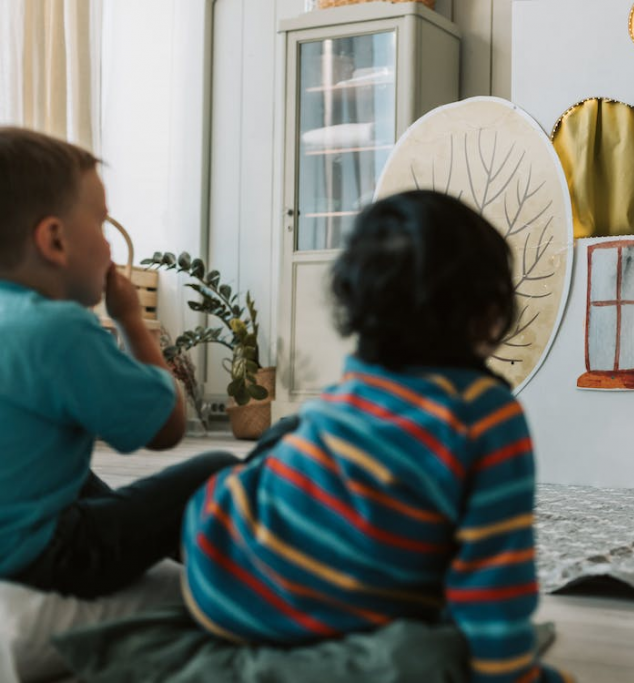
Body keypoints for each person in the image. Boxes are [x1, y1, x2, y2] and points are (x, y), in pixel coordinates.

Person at [181, 190, 571, 682]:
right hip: (303, 605)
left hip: (218, 574)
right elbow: (494, 581)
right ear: (486, 307)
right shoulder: (486, 416)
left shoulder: (356, 382)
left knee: (276, 449)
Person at [0, 127, 239, 598]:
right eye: (103, 224)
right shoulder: (59, 329)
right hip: (40, 558)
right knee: (214, 468)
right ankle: (244, 587)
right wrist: (131, 320)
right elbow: (167, 428)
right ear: (55, 240)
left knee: (74, 472)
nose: (110, 246)